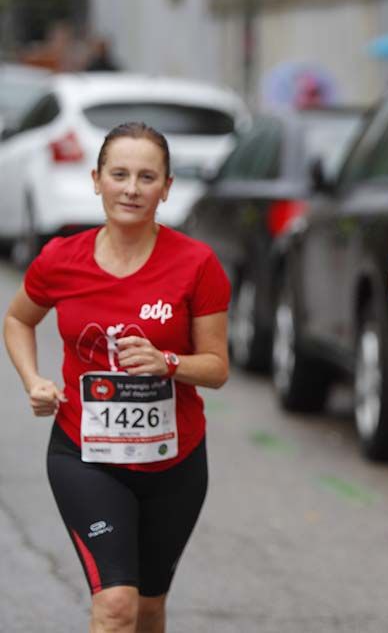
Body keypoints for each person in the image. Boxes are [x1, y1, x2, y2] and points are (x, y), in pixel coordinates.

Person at [3, 122, 230, 633]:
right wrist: (33, 380)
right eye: (119, 174)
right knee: (116, 606)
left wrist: (167, 362)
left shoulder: (197, 264)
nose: (131, 188)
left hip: (175, 462)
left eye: (147, 177)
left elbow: (216, 368)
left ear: (167, 187)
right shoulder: (61, 259)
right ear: (96, 179)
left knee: (149, 608)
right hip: (85, 454)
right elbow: (18, 318)